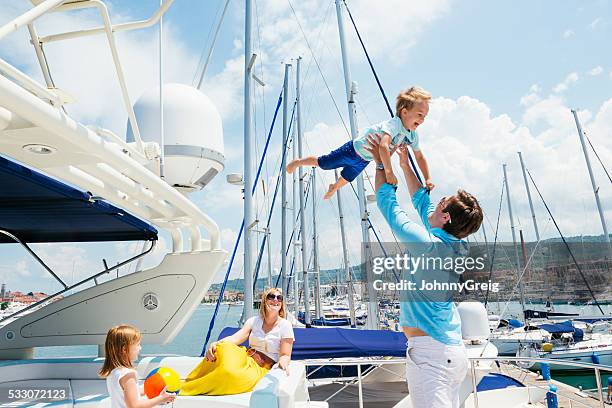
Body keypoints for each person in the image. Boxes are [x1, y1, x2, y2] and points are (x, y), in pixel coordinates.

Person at [367, 136, 483, 408]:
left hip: (432, 356)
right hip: (448, 351)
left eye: (443, 202)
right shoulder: (455, 244)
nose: (438, 201)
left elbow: (389, 208)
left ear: (445, 218)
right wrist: (405, 163)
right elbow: (422, 201)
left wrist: (382, 163)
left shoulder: (429, 246)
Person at [286, 86, 433, 199]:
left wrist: (427, 178)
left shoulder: (412, 135)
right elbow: (382, 146)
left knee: (347, 177)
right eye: (419, 115)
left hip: (364, 159)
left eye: (424, 116)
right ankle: (299, 162)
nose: (422, 120)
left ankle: (334, 187)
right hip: (352, 150)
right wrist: (389, 173)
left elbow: (419, 157)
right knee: (324, 163)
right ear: (404, 112)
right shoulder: (394, 125)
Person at [180, 288, 295, 396]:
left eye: (279, 298)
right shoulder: (253, 321)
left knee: (230, 374)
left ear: (281, 304)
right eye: (271, 296)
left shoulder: (285, 325)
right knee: (222, 348)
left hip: (262, 367)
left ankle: (188, 389)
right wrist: (215, 344)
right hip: (245, 357)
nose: (276, 300)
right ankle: (191, 381)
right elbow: (235, 339)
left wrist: (282, 366)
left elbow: (285, 355)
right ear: (265, 301)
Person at [99, 324, 176, 408]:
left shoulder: (114, 372)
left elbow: (130, 393)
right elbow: (134, 406)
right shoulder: (128, 374)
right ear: (124, 349)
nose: (140, 348)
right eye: (137, 345)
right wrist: (161, 399)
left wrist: (152, 388)